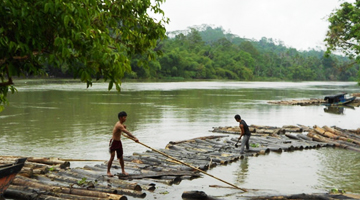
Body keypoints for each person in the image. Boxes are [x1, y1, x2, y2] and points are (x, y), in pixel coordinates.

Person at [107, 111, 139, 177]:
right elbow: (127, 132)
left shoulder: (121, 125)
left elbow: (122, 130)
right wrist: (134, 138)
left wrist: (123, 128)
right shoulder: (119, 125)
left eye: (126, 117)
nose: (125, 119)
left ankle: (123, 170)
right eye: (124, 117)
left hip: (118, 142)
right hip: (113, 142)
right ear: (121, 118)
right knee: (112, 157)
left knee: (121, 157)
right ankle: (108, 171)